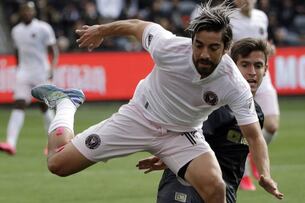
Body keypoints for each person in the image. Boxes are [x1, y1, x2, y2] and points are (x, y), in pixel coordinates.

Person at [31, 2, 282, 202]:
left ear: (226, 47)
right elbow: (137, 25)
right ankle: (65, 103)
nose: (204, 54)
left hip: (182, 134)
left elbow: (254, 137)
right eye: (199, 45)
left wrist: (265, 175)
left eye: (213, 47)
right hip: (139, 118)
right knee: (58, 164)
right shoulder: (169, 48)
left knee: (216, 188)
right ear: (192, 41)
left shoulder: (234, 83)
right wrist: (101, 30)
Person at [137, 38, 272, 203]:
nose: (252, 72)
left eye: (257, 66)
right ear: (233, 68)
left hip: (223, 191)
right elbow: (186, 137)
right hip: (185, 187)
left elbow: (254, 142)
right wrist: (167, 156)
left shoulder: (255, 113)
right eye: (245, 65)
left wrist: (265, 175)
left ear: (265, 69)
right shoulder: (215, 105)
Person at [230, 0, 281, 190]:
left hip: (262, 77)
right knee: (239, 128)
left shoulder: (262, 17)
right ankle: (241, 171)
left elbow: (264, 45)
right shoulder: (228, 18)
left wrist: (269, 49)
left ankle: (252, 154)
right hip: (238, 77)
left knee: (272, 125)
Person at [0, 1, 59, 155]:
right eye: (24, 10)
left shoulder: (43, 28)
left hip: (41, 72)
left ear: (34, 12)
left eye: (29, 10)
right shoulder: (16, 31)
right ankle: (10, 143)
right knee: (19, 104)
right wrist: (19, 67)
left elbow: (54, 49)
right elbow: (17, 51)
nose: (27, 13)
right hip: (24, 72)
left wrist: (52, 67)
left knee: (44, 106)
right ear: (20, 13)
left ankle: (53, 144)